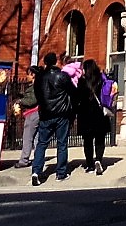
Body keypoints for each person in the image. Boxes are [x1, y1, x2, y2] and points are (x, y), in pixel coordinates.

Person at [31, 52, 74, 185]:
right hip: (61, 114)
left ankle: (36, 171)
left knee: (42, 144)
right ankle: (60, 173)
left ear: (45, 62)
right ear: (55, 61)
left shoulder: (39, 78)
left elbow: (37, 95)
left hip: (45, 114)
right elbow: (73, 91)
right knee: (62, 143)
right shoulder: (62, 76)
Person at [74, 58, 111, 175]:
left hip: (85, 115)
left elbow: (78, 98)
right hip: (100, 114)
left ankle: (90, 164)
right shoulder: (101, 79)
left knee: (88, 141)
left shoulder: (82, 82)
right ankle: (99, 159)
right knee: (100, 140)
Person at [15, 65, 40, 166]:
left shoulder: (35, 87)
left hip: (32, 113)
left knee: (27, 137)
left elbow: (32, 101)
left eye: (28, 74)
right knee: (36, 138)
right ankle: (38, 158)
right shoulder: (37, 86)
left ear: (33, 75)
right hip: (38, 113)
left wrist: (20, 101)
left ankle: (24, 160)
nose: (27, 77)